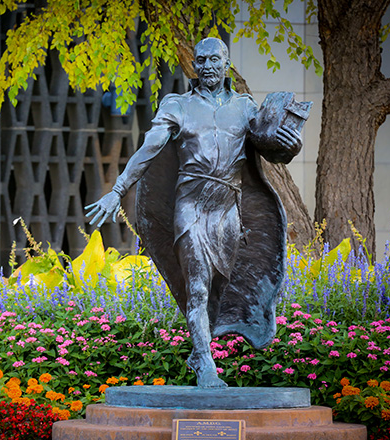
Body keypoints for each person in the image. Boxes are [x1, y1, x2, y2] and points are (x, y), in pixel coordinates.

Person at [85, 37, 305, 388]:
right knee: (198, 287)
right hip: (190, 204)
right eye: (200, 61)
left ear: (226, 62)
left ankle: (200, 345)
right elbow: (149, 148)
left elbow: (272, 150)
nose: (207, 67)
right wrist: (117, 190)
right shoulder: (178, 105)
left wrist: (291, 146)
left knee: (219, 286)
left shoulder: (245, 107)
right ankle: (205, 362)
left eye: (214, 60)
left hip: (227, 208)